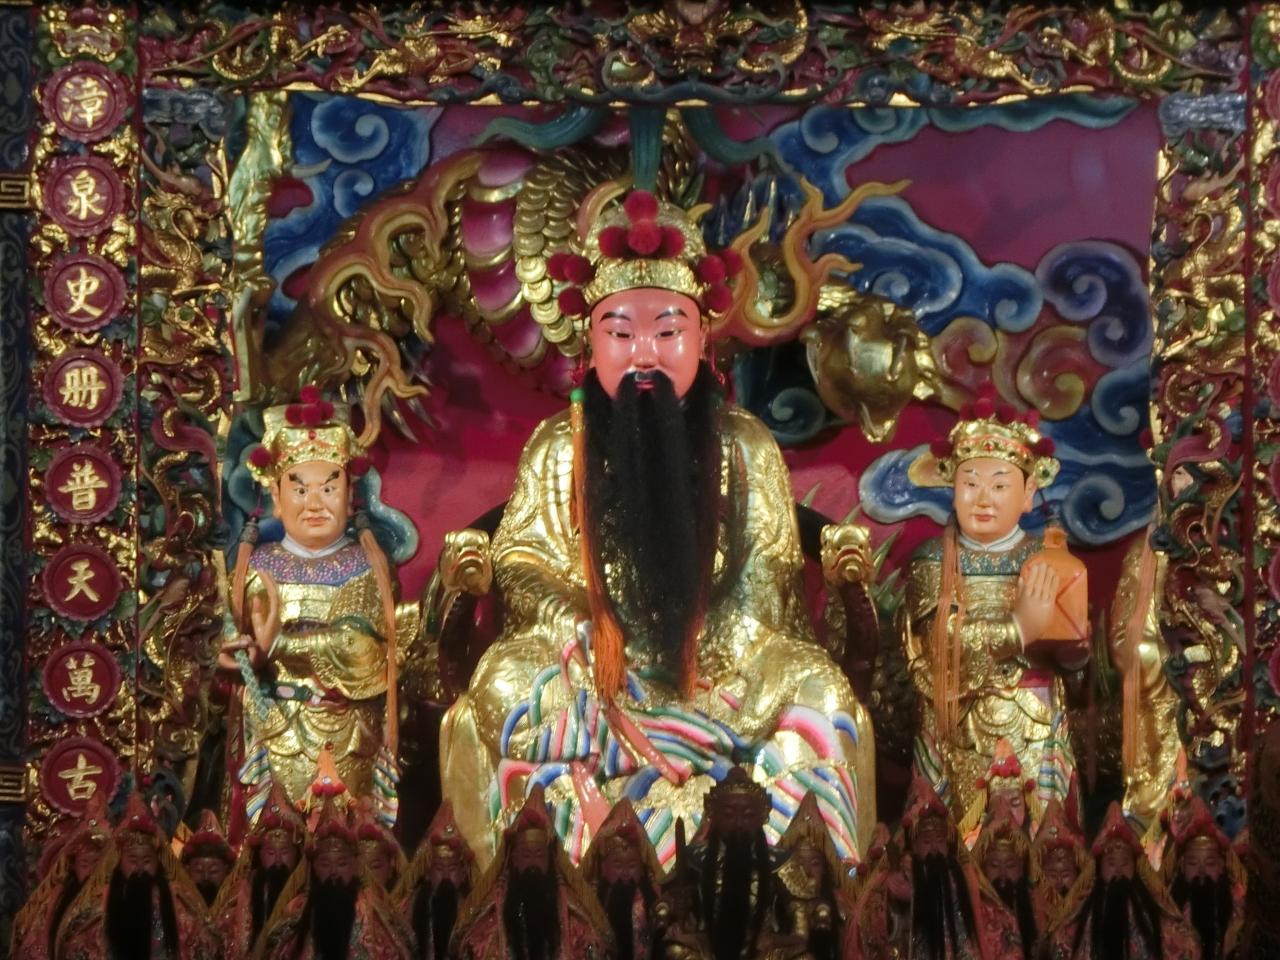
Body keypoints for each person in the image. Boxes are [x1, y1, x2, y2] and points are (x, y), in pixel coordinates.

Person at [438, 186, 875, 867]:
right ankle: (560, 872)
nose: (644, 354)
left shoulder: (745, 445)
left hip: (720, 667)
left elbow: (766, 580)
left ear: (702, 340)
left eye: (668, 333)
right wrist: (599, 648)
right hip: (593, 671)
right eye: (620, 334)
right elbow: (527, 566)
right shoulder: (558, 447)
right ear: (591, 344)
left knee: (819, 689)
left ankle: (788, 876)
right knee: (502, 682)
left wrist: (699, 669)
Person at [218, 386, 405, 821]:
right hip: (272, 729)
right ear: (275, 496)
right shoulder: (252, 569)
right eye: (300, 490)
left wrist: (278, 646)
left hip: (348, 731)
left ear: (350, 493)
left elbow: (363, 651)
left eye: (329, 488)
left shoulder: (369, 567)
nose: (315, 504)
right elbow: (231, 650)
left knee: (349, 842)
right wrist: (232, 660)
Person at [906, 389, 1087, 823]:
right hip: (956, 726)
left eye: (1001, 485)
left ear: (1028, 494)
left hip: (1036, 720)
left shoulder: (1047, 559)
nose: (984, 499)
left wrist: (1075, 658)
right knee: (955, 837)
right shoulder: (934, 560)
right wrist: (1018, 630)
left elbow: (1077, 669)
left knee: (1044, 836)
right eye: (970, 484)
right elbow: (937, 646)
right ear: (953, 490)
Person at [848, 775, 1022, 960]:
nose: (934, 849)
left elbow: (995, 921)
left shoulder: (963, 877)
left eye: (940, 840)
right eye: (927, 841)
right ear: (914, 844)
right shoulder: (893, 880)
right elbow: (866, 923)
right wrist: (895, 900)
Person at [449, 786, 610, 960]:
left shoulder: (574, 916)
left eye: (539, 855)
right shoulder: (490, 916)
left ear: (550, 859)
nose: (532, 863)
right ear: (513, 858)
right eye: (526, 855)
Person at [55, 791, 218, 960]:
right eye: (133, 860)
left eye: (147, 860)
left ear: (158, 862)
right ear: (120, 861)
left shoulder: (178, 904)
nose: (140, 868)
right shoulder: (98, 905)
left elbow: (204, 945)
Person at [258, 796, 414, 960]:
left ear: (354, 866)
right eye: (325, 864)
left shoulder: (376, 912)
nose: (333, 872)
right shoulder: (296, 911)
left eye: (342, 863)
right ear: (313, 867)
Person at [1043, 802, 1200, 960]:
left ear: (1135, 868)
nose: (1118, 871)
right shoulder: (1084, 912)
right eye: (1111, 863)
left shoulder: (1150, 914)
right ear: (1099, 868)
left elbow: (1183, 943)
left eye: (1125, 863)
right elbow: (1061, 941)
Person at [210, 781, 307, 958]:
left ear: (297, 852)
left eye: (285, 852)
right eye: (270, 853)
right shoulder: (239, 893)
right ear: (259, 854)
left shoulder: (306, 894)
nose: (278, 860)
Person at [10, 793, 111, 960]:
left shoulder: (115, 896)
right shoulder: (55, 899)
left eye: (97, 864)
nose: (91, 872)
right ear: (73, 866)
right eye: (85, 864)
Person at [774, 791, 854, 960]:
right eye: (799, 864)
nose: (807, 871)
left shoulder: (839, 905)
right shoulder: (775, 903)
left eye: (815, 863)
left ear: (825, 869)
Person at [580, 799, 663, 960]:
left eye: (632, 865)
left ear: (642, 867)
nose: (625, 873)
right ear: (603, 868)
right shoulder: (591, 899)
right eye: (618, 865)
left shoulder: (655, 897)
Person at [1164, 796, 1244, 960]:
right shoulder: (1169, 911)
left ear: (1222, 866)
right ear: (1182, 866)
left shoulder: (1240, 909)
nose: (1201, 871)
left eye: (1210, 864)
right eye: (1193, 863)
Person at [395, 802, 477, 960]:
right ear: (427, 872)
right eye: (439, 868)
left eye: (452, 868)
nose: (446, 876)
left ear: (463, 874)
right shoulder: (406, 909)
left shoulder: (473, 910)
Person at [974, 797, 1037, 958]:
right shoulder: (974, 907)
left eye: (1010, 866)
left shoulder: (1037, 905)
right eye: (994, 865)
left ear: (1022, 868)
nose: (1003, 874)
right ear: (982, 867)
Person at [1030, 797, 1092, 939]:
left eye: (1065, 875)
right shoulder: (1031, 907)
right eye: (1052, 875)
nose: (1059, 881)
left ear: (1077, 873)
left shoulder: (1086, 906)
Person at [180, 810, 235, 906]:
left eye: (213, 871)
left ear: (226, 870)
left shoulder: (237, 903)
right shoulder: (176, 903)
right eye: (198, 870)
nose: (205, 877)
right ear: (187, 869)